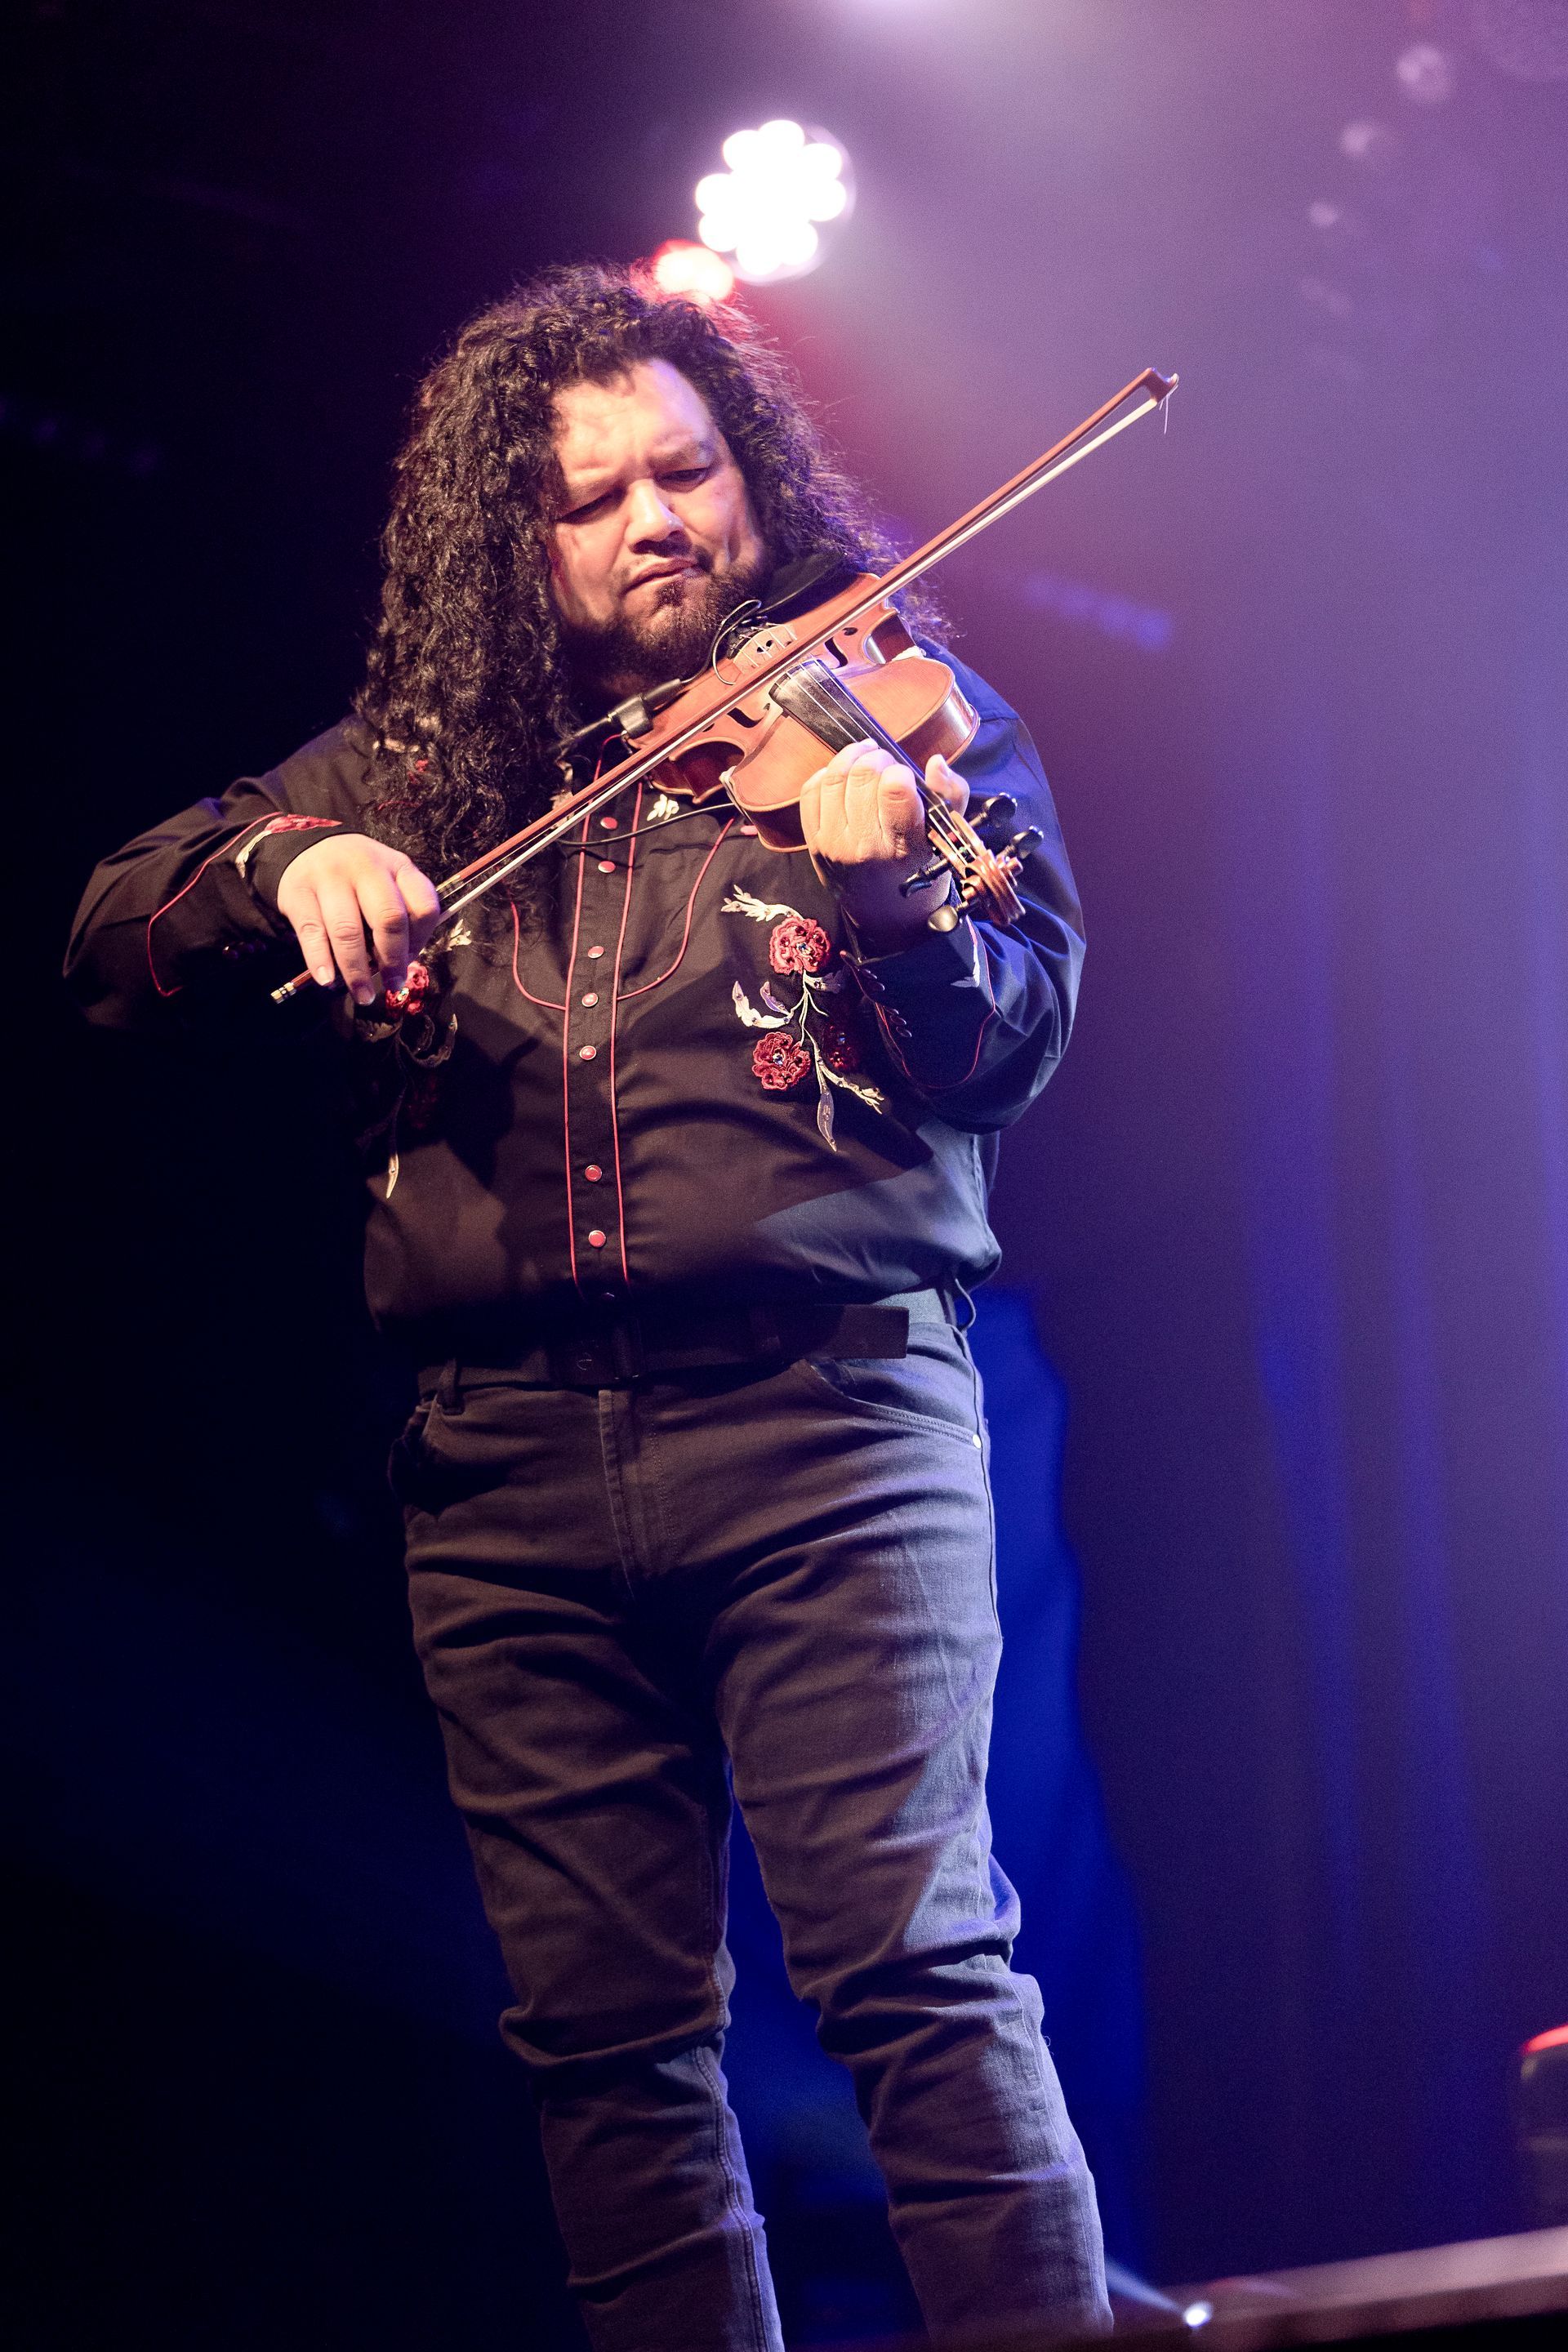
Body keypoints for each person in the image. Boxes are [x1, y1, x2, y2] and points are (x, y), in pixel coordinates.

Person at [67, 265, 1108, 2350]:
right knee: (605, 2043)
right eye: (596, 497)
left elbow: (1011, 1045)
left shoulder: (900, 717)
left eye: (690, 472)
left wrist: (893, 889)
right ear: (511, 541)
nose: (658, 523)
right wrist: (285, 871)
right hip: (509, 1476)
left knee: (914, 1973)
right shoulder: (425, 768)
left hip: (831, 1433)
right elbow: (112, 933)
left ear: (752, 476)